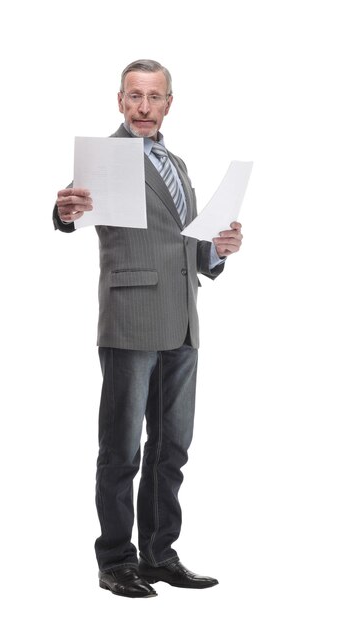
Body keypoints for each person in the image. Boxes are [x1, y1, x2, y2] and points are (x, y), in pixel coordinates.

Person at [53, 59, 243, 598]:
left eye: (153, 97)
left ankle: (160, 554)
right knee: (121, 448)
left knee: (172, 446)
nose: (143, 107)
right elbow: (72, 207)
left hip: (183, 320)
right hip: (131, 318)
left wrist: (217, 250)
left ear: (167, 104)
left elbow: (187, 244)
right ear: (119, 101)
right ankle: (116, 560)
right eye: (133, 96)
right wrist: (63, 210)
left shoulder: (177, 163)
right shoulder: (104, 159)